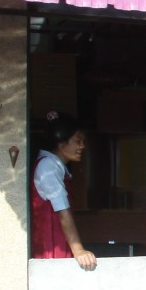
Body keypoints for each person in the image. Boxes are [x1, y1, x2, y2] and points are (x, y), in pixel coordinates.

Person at [31, 111, 97, 270]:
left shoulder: (55, 166)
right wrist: (79, 250)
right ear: (61, 143)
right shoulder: (48, 167)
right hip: (52, 247)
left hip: (58, 244)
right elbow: (63, 212)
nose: (82, 146)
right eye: (78, 141)